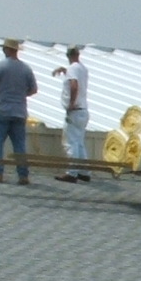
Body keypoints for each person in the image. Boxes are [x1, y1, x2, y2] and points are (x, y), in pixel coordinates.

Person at [0, 39, 38, 184]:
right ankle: (23, 175)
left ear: (7, 49)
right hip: (19, 111)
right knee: (19, 145)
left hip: (2, 109)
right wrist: (21, 95)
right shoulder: (26, 69)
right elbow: (34, 89)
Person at [51, 44, 91, 181]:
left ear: (68, 55)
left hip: (75, 110)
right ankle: (84, 172)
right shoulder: (82, 68)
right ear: (78, 54)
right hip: (83, 110)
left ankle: (72, 173)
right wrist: (65, 70)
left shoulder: (73, 69)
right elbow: (76, 76)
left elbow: (74, 85)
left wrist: (71, 103)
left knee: (70, 142)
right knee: (79, 142)